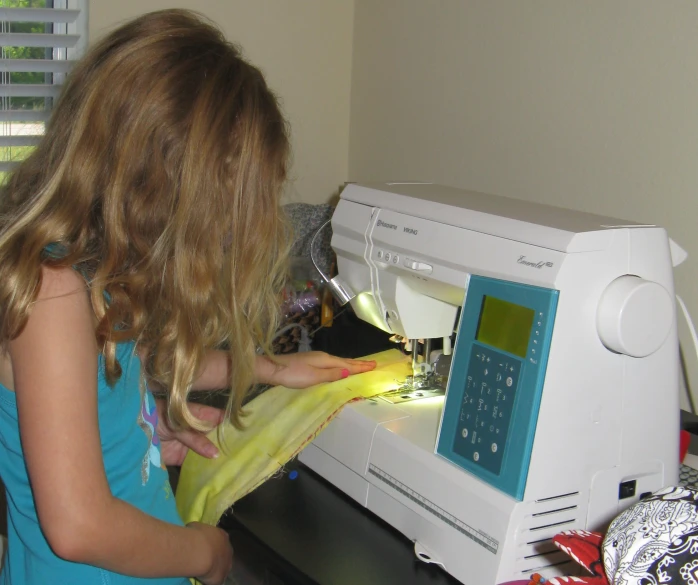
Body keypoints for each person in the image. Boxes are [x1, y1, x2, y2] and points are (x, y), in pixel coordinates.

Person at [0, 9, 375, 585]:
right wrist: (205, 553)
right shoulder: (52, 292)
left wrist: (262, 371)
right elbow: (80, 526)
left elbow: (120, 366)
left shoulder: (84, 279)